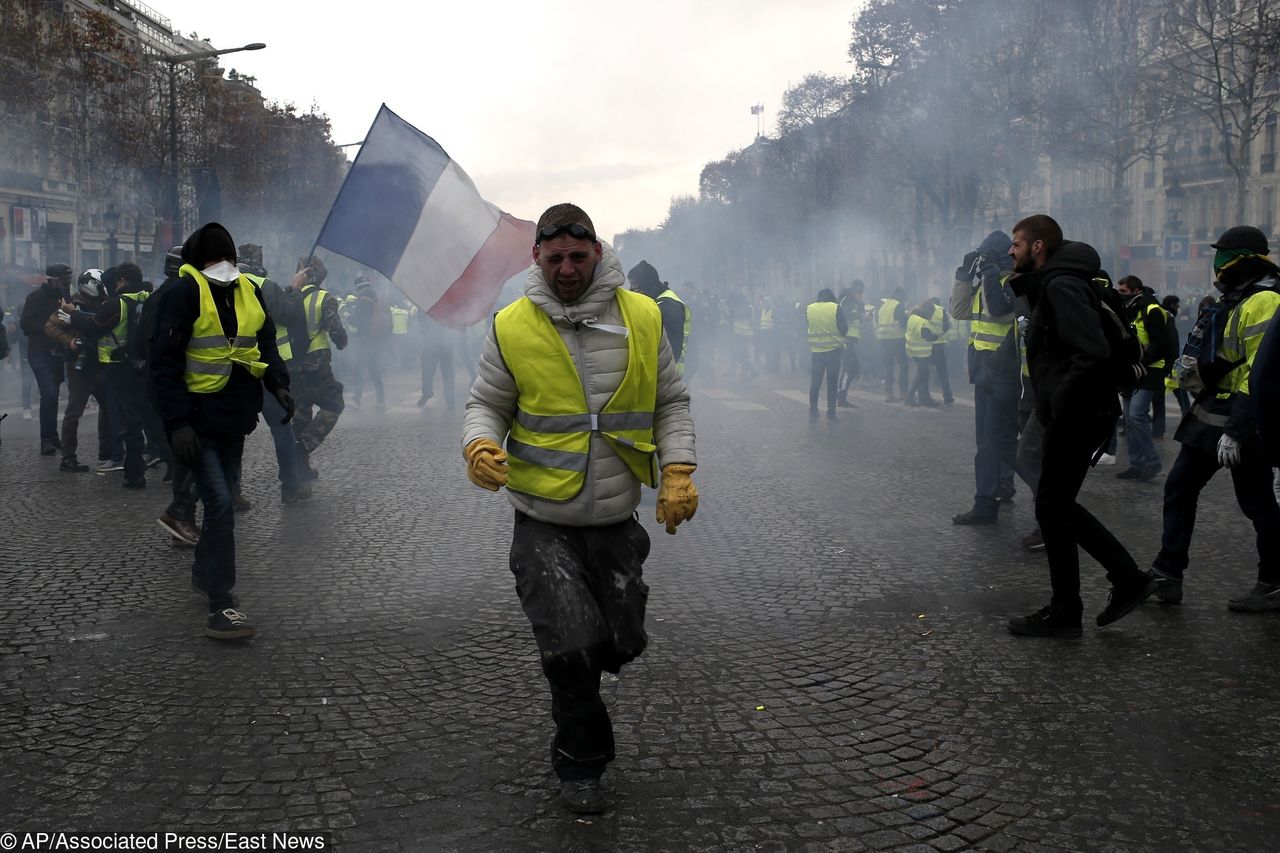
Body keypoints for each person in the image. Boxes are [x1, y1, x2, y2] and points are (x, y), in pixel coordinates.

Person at [462, 203, 698, 815]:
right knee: (569, 646)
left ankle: (604, 650)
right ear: (537, 258)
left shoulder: (643, 316)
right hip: (542, 516)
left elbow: (670, 402)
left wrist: (677, 469)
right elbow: (486, 403)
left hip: (617, 513)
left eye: (578, 255)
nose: (567, 269)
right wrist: (479, 443)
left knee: (619, 640)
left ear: (597, 251)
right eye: (555, 257)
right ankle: (581, 764)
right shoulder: (511, 324)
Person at [1005, 214, 1155, 637]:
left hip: (1079, 411)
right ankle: (1073, 604)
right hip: (1079, 409)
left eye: (1017, 243)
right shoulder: (1056, 281)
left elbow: (1090, 353)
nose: (1011, 251)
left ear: (1037, 247)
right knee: (1055, 508)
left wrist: (1057, 401)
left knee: (1053, 506)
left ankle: (1116, 584)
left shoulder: (1061, 284)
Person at [149, 223, 294, 640]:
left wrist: (279, 384)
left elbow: (265, 342)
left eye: (226, 257)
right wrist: (176, 424)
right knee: (220, 504)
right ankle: (222, 604)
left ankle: (202, 572)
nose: (223, 266)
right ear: (198, 262)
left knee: (223, 501)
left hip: (235, 417)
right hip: (196, 420)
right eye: (214, 259)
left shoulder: (250, 289)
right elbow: (164, 364)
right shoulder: (181, 295)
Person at [1148, 225, 1280, 612]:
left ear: (1246, 259)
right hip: (1212, 414)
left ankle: (1273, 581)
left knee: (1256, 503)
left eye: (1224, 255)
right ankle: (1167, 574)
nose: (1218, 263)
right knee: (1179, 489)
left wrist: (1239, 431)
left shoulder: (1267, 302)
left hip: (1244, 420)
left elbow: (1261, 371)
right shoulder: (1234, 299)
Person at [949, 231, 1021, 525]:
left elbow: (999, 311)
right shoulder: (983, 284)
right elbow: (959, 311)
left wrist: (991, 275)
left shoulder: (1012, 284)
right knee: (998, 440)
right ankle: (1002, 487)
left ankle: (984, 504)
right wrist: (964, 278)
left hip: (1003, 372)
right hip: (984, 369)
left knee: (990, 441)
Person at [238, 244, 311, 504]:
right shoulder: (266, 285)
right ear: (259, 260)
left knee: (234, 433)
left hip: (236, 368)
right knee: (282, 428)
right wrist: (294, 289)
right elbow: (292, 317)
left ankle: (233, 492)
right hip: (267, 369)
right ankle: (290, 486)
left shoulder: (222, 283)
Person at [45, 269, 112, 473]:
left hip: (99, 363)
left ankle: (107, 452)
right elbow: (49, 326)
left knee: (109, 408)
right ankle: (68, 457)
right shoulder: (72, 305)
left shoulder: (100, 305)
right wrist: (70, 341)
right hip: (79, 366)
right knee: (74, 412)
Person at [288, 257, 348, 479]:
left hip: (291, 367)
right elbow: (336, 332)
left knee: (301, 415)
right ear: (320, 276)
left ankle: (298, 467)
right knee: (334, 404)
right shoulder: (324, 298)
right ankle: (301, 447)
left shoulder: (286, 297)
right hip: (316, 366)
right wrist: (342, 342)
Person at [1114, 275, 1170, 481]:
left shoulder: (1152, 311)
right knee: (1129, 421)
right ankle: (1136, 464)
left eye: (1124, 291)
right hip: (1131, 372)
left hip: (1149, 371)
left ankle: (1152, 462)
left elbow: (1161, 343)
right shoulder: (1128, 311)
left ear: (1136, 290)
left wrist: (1141, 358)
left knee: (1137, 416)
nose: (1120, 294)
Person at [21, 263, 73, 454]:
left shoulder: (64, 297)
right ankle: (46, 440)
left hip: (57, 354)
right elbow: (25, 323)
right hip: (39, 352)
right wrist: (47, 328)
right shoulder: (35, 297)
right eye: (63, 280)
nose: (66, 283)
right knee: (49, 392)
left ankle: (52, 436)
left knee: (54, 395)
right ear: (53, 279)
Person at [627, 261, 691, 376]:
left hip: (670, 375)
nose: (631, 288)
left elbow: (671, 348)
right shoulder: (658, 300)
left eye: (634, 284)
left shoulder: (667, 306)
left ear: (645, 284)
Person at [347, 275, 389, 410]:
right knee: (374, 370)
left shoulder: (361, 299)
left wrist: (348, 317)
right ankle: (381, 400)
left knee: (358, 370)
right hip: (376, 339)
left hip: (364, 339)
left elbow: (358, 321)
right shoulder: (376, 297)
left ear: (357, 287)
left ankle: (356, 400)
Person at [807, 288, 848, 421]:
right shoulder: (836, 307)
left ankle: (813, 411)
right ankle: (831, 414)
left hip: (817, 351)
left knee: (815, 382)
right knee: (832, 383)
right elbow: (844, 329)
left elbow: (807, 325)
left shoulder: (810, 308)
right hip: (833, 351)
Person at [874, 287, 908, 402]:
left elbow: (877, 319)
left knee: (888, 367)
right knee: (904, 366)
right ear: (901, 297)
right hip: (897, 340)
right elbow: (903, 324)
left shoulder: (883, 305)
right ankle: (903, 392)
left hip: (883, 340)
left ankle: (889, 393)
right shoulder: (898, 305)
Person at [836, 281, 864, 408]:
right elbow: (845, 314)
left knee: (852, 367)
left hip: (851, 338)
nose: (861, 294)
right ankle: (841, 396)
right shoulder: (847, 300)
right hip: (845, 338)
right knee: (849, 367)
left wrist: (861, 307)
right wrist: (860, 314)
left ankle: (841, 395)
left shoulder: (854, 301)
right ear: (854, 291)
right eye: (859, 291)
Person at [927, 296, 954, 405]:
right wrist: (940, 332)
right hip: (938, 344)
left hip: (926, 344)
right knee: (942, 371)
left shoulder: (924, 309)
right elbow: (947, 326)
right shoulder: (941, 310)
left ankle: (924, 394)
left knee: (924, 371)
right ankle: (947, 396)